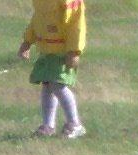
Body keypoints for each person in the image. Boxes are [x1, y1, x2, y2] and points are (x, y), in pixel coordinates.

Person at [18, 0, 87, 138]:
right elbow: (37, 20)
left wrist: (74, 51)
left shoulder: (70, 2)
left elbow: (76, 25)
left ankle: (75, 124)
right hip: (46, 51)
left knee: (58, 85)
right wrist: (27, 42)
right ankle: (48, 126)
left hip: (62, 52)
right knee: (48, 85)